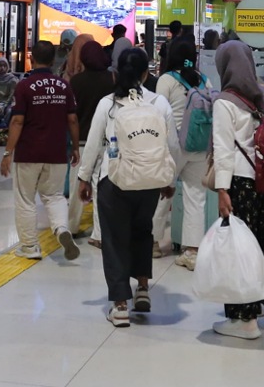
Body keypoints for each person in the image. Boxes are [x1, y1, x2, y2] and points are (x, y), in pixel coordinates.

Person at [77, 47, 177, 327]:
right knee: (143, 231)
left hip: (114, 180)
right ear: (147, 73)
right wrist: (168, 180)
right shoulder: (159, 103)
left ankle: (120, 304)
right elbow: (172, 147)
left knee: (114, 239)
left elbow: (94, 143)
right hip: (149, 182)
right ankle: (142, 287)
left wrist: (84, 179)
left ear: (117, 72)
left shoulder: (108, 104)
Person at [210, 40, 264, 340]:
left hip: (239, 182)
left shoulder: (225, 102)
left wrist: (222, 190)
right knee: (259, 244)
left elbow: (224, 150)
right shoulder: (263, 94)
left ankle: (244, 319)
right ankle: (257, 304)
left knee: (238, 249)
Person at [0, 40, 81, 261]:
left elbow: (17, 121)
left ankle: (29, 247)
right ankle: (61, 229)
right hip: (56, 152)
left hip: (29, 152)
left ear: (31, 58)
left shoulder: (24, 86)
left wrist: (8, 153)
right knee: (54, 196)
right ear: (54, 60)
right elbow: (72, 119)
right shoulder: (64, 86)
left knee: (25, 199)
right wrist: (75, 147)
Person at [151, 36, 211, 268]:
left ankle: (153, 243)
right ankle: (192, 251)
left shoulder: (166, 80)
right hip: (199, 144)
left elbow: (159, 114)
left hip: (174, 144)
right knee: (196, 197)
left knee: (161, 191)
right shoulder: (204, 80)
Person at [68, 41, 112, 241]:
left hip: (83, 141)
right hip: (107, 142)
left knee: (78, 185)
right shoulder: (113, 79)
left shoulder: (76, 81)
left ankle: (72, 226)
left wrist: (72, 145)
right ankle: (101, 232)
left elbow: (72, 116)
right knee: (102, 188)